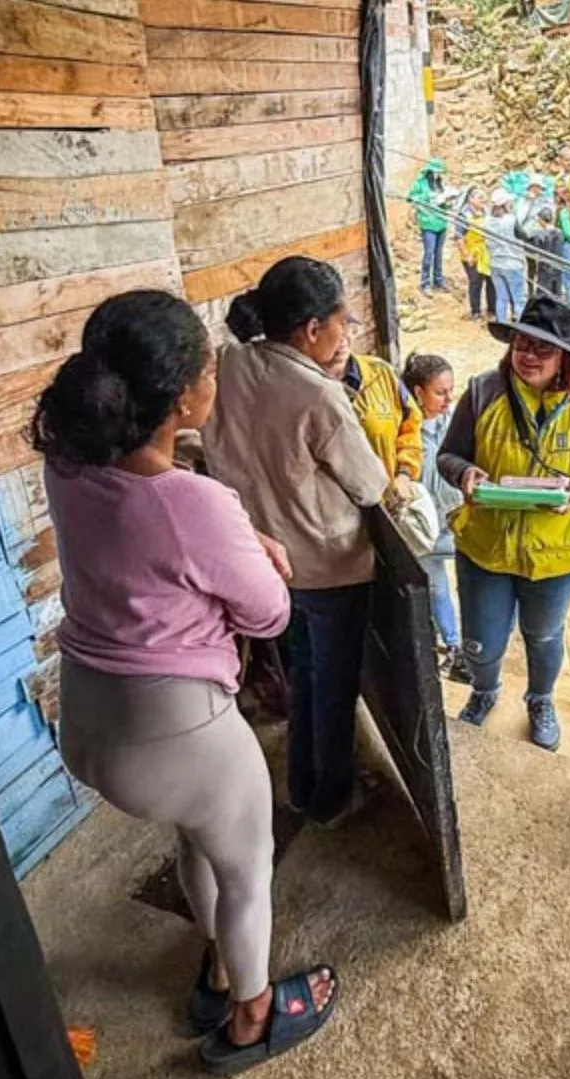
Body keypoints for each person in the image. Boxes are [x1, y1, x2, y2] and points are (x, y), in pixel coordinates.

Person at [33, 290, 337, 1071]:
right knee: (246, 871)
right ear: (179, 402)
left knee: (196, 838)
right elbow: (268, 614)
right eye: (207, 367)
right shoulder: (193, 502)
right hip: (179, 729)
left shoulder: (66, 466)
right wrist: (262, 552)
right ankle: (251, 1019)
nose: (215, 377)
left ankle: (218, 966)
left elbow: (147, 555)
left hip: (89, 717)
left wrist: (232, 543)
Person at [205, 257, 391, 826]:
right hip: (330, 568)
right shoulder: (318, 395)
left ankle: (301, 787)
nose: (344, 333)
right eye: (341, 322)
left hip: (267, 563)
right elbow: (370, 485)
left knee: (305, 671)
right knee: (333, 688)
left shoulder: (230, 362)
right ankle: (329, 798)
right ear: (313, 329)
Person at [439, 295, 570, 750]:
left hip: (559, 553)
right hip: (486, 544)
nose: (528, 356)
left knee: (543, 634)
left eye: (543, 348)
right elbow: (448, 455)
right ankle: (484, 690)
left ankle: (540, 700)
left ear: (566, 359)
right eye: (522, 343)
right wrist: (465, 473)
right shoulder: (483, 391)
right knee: (482, 639)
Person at [404, 352, 469, 682]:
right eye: (440, 393)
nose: (448, 399)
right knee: (437, 587)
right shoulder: (404, 432)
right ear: (418, 393)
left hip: (458, 518)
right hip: (424, 529)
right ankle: (455, 647)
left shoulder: (454, 423)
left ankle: (471, 645)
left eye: (450, 391)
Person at [342, 350, 423, 509]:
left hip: (385, 504)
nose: (341, 340)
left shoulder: (381, 372)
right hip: (335, 511)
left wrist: (404, 474)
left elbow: (410, 426)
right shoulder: (305, 386)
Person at [406, 158, 451, 294]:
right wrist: (427, 196)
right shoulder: (420, 183)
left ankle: (438, 280)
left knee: (439, 253)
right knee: (429, 253)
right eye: (435, 172)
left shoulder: (441, 184)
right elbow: (410, 197)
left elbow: (447, 204)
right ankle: (425, 283)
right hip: (428, 222)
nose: (437, 175)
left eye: (440, 173)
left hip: (441, 222)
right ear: (429, 171)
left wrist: (447, 201)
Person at [482, 190, 527, 324]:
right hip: (513, 263)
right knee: (518, 299)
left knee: (501, 297)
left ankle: (501, 322)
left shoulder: (487, 221)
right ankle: (520, 324)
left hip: (495, 263)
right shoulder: (511, 220)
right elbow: (524, 236)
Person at [456, 187, 496, 321]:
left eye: (484, 197)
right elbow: (459, 238)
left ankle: (492, 310)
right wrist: (467, 255)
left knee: (491, 281)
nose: (483, 200)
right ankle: (476, 312)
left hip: (487, 252)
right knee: (475, 282)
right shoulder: (464, 215)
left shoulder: (487, 213)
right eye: (480, 197)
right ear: (471, 199)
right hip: (472, 253)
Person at [523, 206, 567, 303]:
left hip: (545, 270)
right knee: (557, 296)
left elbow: (534, 250)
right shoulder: (560, 233)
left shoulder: (541, 235)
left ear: (541, 220)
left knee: (543, 297)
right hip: (557, 269)